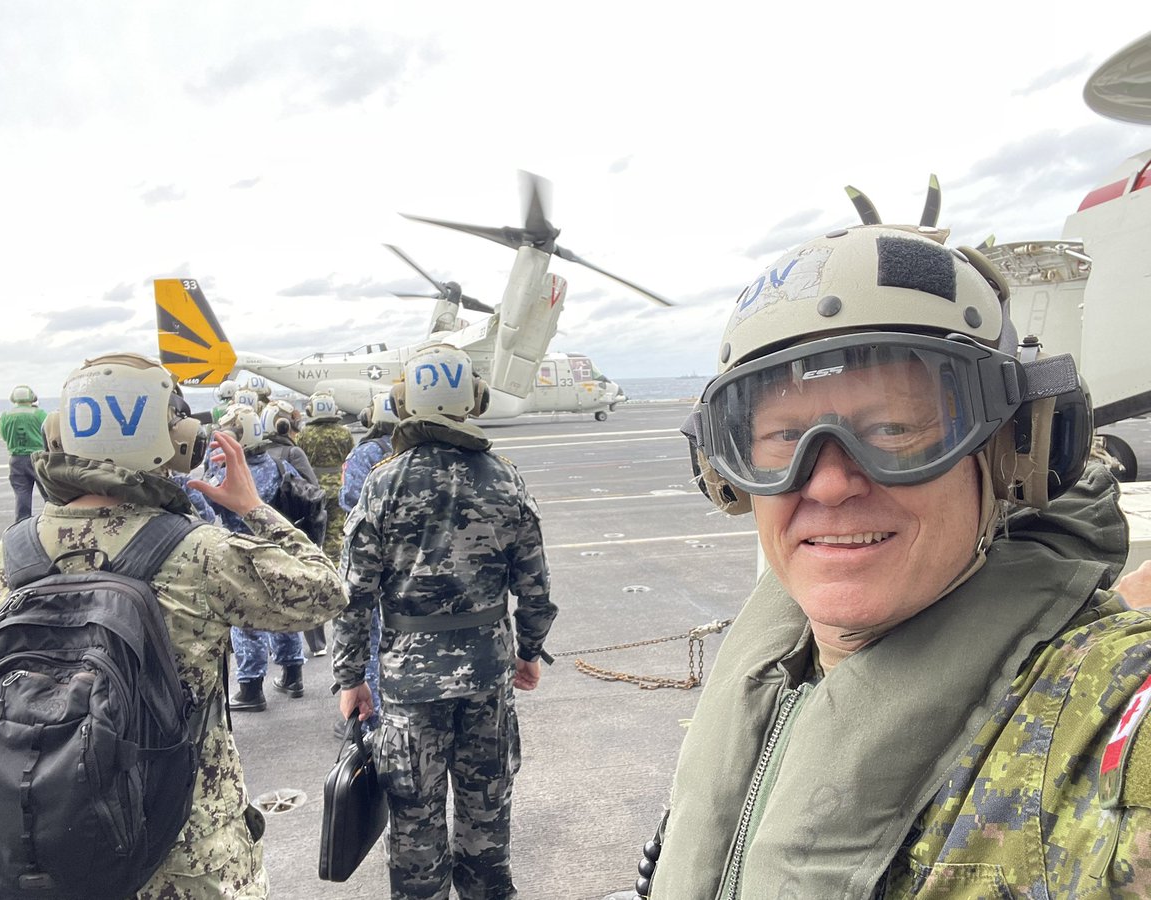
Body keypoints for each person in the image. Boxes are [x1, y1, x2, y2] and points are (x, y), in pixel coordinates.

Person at [628, 221, 1151, 898]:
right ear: (724, 476)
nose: (828, 483)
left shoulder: (1099, 711)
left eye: (895, 431)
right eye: (785, 438)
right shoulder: (778, 668)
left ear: (1012, 449)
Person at [0, 352, 347, 898]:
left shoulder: (3, 561)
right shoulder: (199, 552)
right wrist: (253, 506)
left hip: (54, 855)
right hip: (188, 853)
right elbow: (326, 592)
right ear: (174, 439)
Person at [334, 344, 557, 900]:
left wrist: (350, 677)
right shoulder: (504, 479)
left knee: (414, 823)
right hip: (487, 678)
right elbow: (533, 583)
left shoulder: (382, 483)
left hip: (409, 687)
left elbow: (353, 594)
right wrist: (528, 651)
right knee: (487, 819)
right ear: (472, 400)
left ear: (406, 402)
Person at [207, 405, 318, 709]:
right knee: (284, 609)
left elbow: (206, 510)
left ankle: (251, 688)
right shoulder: (277, 463)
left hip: (242, 552)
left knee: (247, 622)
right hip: (279, 550)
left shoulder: (228, 470)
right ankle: (292, 674)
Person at [332, 391, 399, 737]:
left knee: (370, 638)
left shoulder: (366, 453)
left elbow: (349, 500)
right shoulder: (412, 450)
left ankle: (369, 718)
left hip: (372, 560)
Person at [295, 391, 356, 655]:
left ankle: (323, 576)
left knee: (314, 540)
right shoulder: (344, 433)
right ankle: (340, 574)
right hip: (338, 487)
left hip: (315, 491)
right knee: (337, 538)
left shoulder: (304, 436)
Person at [0, 384, 48, 522]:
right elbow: (49, 432)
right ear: (31, 398)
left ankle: (22, 521)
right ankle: (52, 519)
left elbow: (4, 435)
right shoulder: (39, 413)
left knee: (22, 493)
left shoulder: (5, 416)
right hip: (38, 457)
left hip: (16, 458)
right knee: (48, 492)